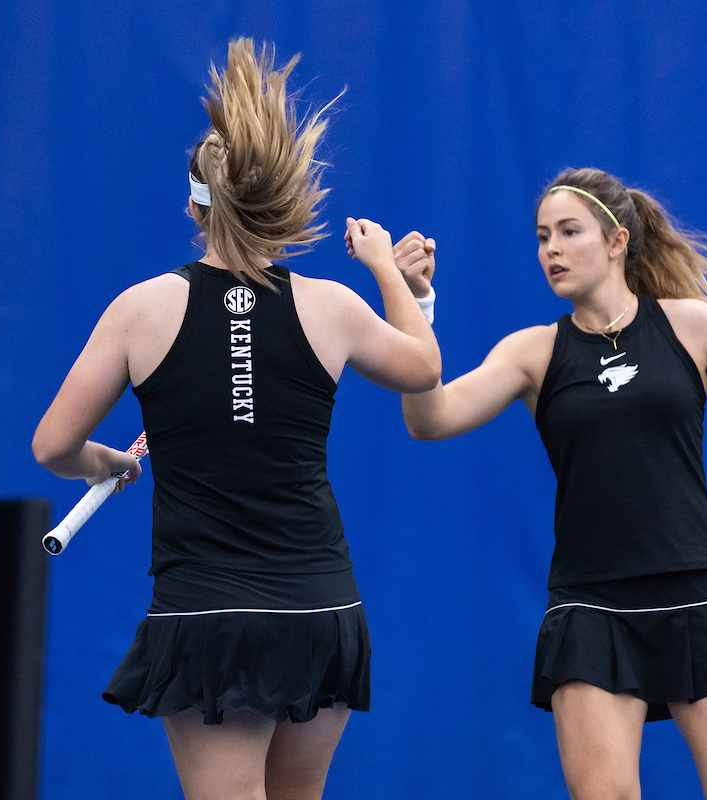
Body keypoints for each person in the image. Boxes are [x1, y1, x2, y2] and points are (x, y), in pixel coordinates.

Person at [31, 39, 439, 800]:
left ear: (194, 204)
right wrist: (394, 272)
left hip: (209, 610)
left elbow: (54, 445)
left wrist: (105, 464)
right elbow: (424, 367)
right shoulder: (332, 306)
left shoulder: (139, 310)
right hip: (320, 607)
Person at [394, 167, 707, 800]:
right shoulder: (533, 352)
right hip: (591, 610)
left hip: (700, 598)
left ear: (616, 240)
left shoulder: (692, 327)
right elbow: (428, 418)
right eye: (542, 235)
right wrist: (416, 303)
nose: (550, 249)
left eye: (568, 232)